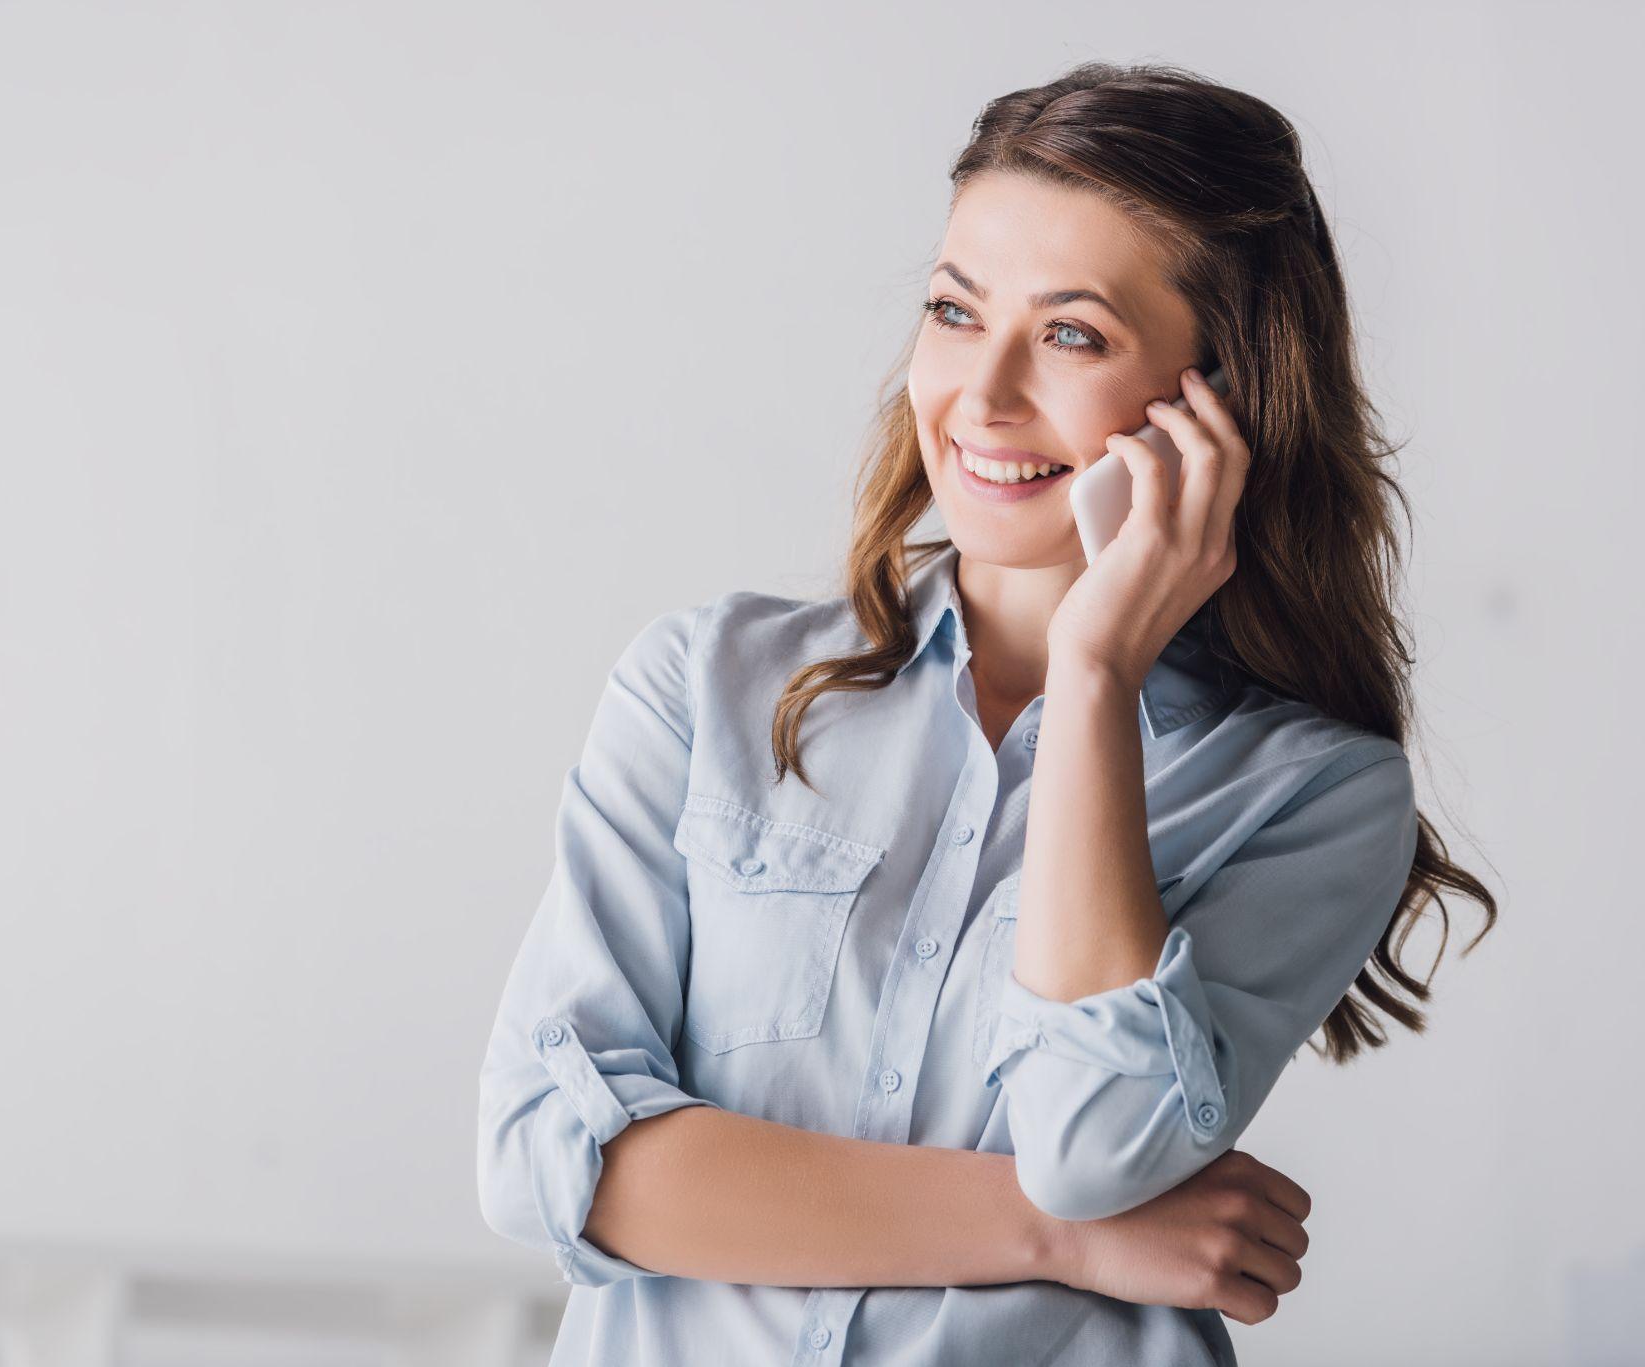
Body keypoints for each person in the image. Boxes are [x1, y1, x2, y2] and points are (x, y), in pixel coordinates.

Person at [476, 59, 1495, 1366]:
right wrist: (1061, 1241)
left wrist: (1094, 676)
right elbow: (548, 1161)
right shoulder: (705, 688)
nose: (987, 392)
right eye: (956, 311)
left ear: (1219, 402)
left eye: (1073, 333)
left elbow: (1093, 1143)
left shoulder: (1308, 790)